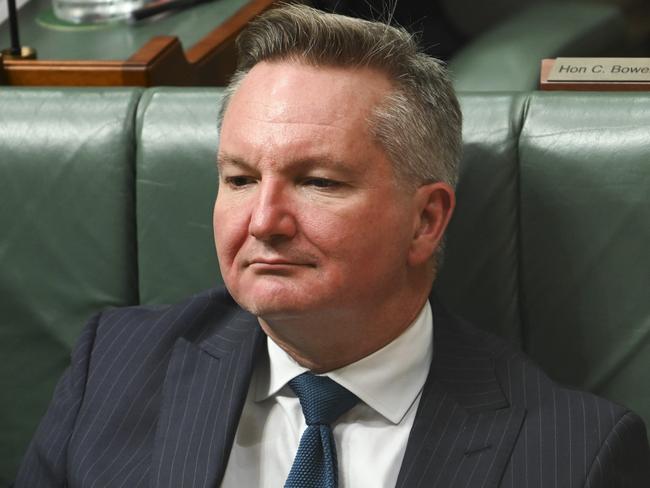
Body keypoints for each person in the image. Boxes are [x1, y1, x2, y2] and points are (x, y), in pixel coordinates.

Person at [15, 4, 649, 487]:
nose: (264, 220)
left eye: (317, 182)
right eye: (239, 179)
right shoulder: (113, 369)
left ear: (426, 220)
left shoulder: (573, 454)